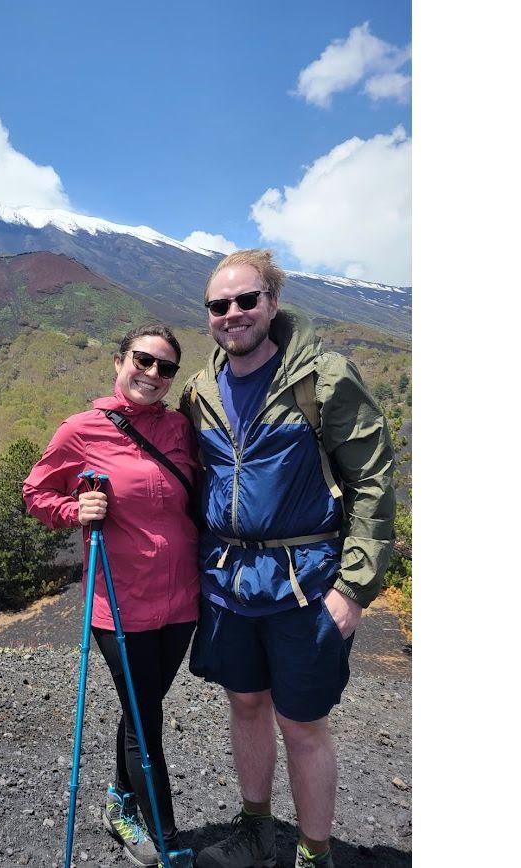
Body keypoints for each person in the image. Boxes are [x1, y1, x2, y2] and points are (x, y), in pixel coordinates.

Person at [178, 250, 395, 868]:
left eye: (247, 299)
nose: (233, 313)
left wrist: (353, 588)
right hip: (228, 584)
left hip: (307, 585)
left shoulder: (321, 379)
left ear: (272, 303)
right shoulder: (200, 390)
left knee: (301, 723)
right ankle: (256, 832)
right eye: (219, 305)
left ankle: (314, 852)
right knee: (246, 705)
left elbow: (372, 481)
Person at [23, 323, 200, 867]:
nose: (153, 373)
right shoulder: (81, 430)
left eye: (165, 367)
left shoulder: (179, 427)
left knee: (143, 708)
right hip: (121, 606)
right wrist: (74, 509)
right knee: (146, 720)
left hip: (182, 602)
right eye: (143, 360)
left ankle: (119, 800)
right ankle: (166, 841)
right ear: (119, 361)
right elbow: (35, 491)